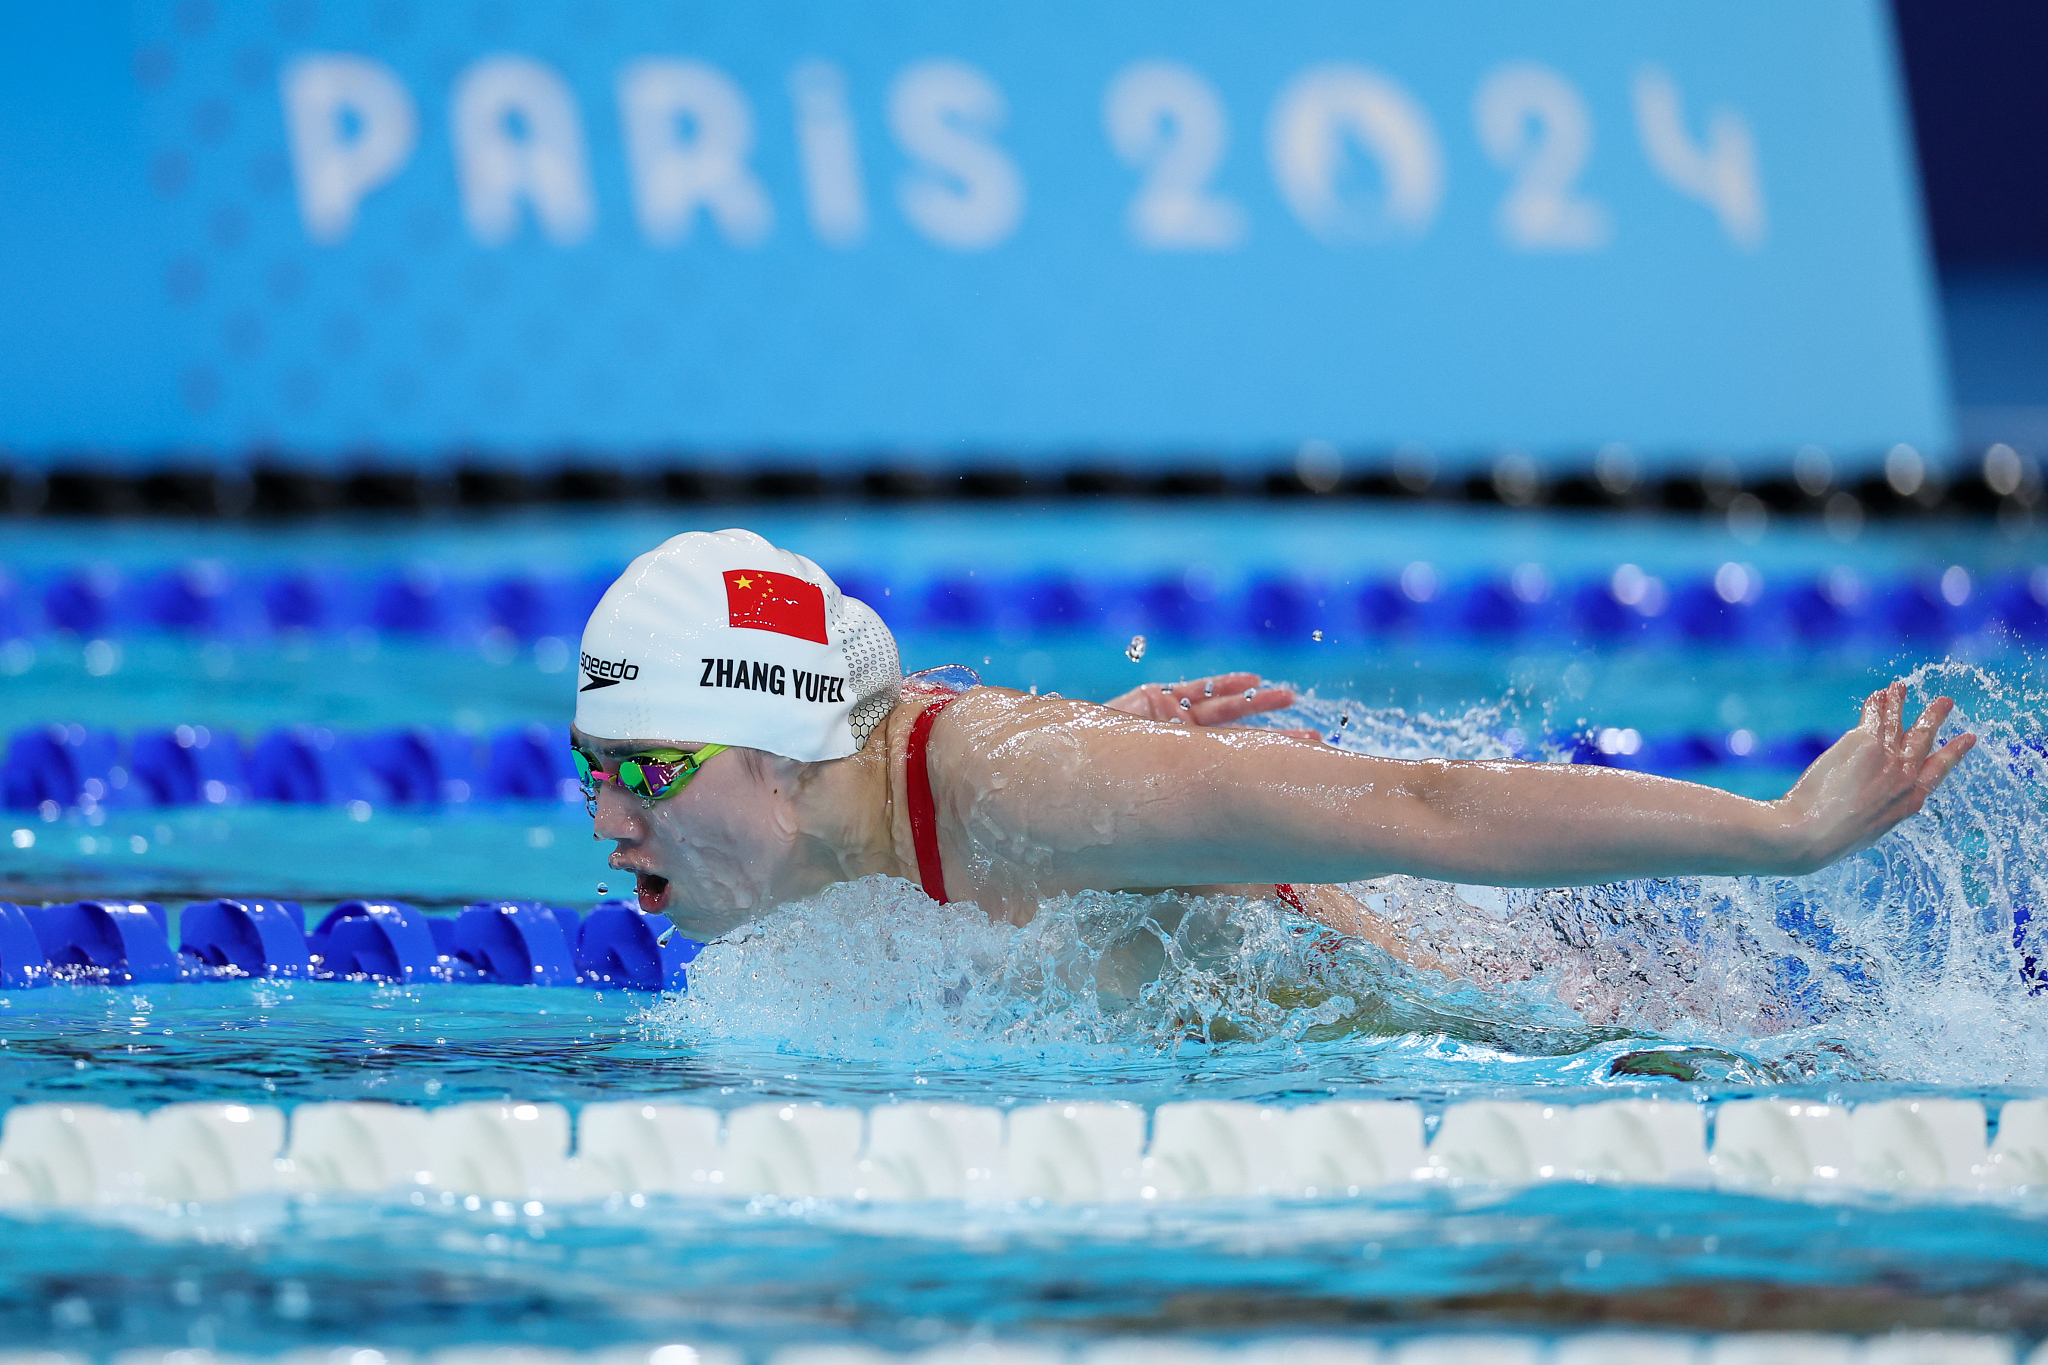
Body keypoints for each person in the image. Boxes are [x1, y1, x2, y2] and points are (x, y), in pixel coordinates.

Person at [572, 529, 1977, 957]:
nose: (606, 823)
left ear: (775, 744)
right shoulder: (872, 813)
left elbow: (1422, 808)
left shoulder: (1014, 785)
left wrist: (1779, 835)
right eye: (596, 769)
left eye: (646, 769)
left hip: (1510, 1035)